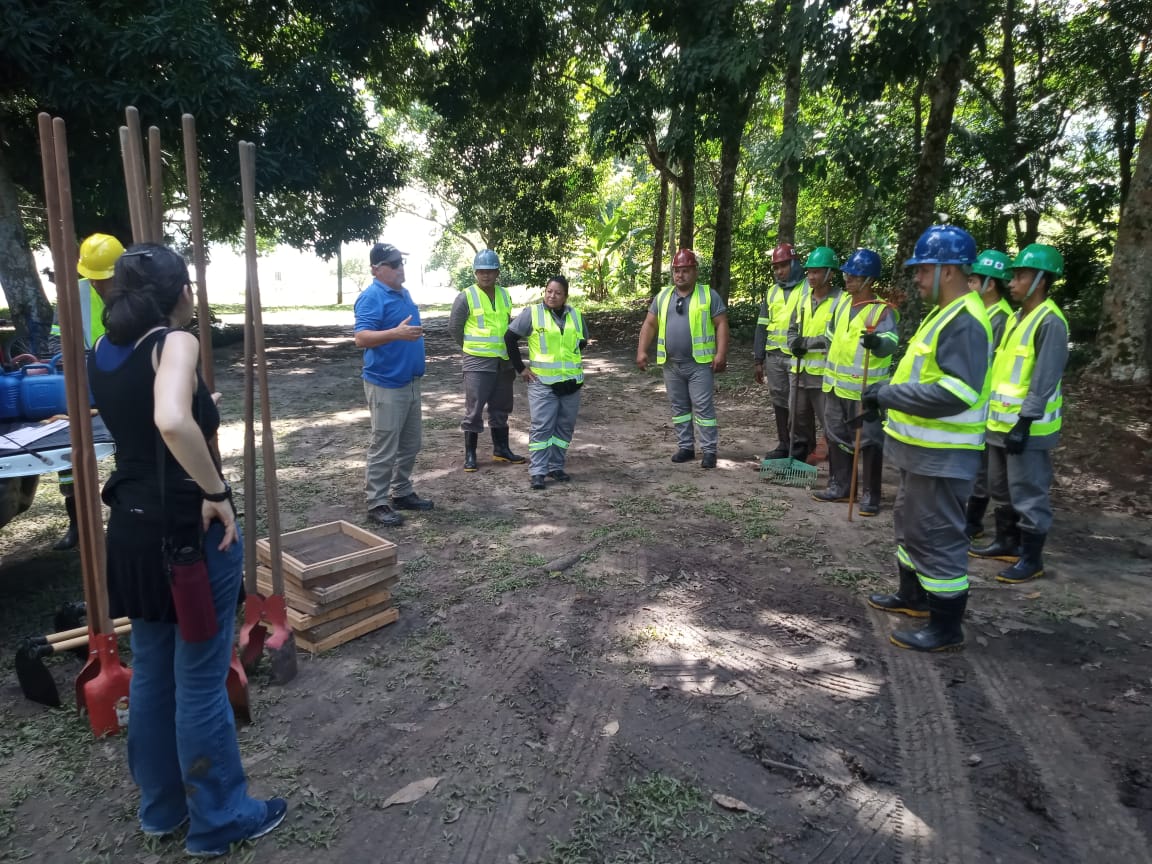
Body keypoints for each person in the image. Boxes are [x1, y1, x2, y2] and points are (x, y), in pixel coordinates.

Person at [87, 243, 286, 857]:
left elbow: (148, 421)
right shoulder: (173, 342)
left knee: (150, 670)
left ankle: (161, 808)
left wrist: (203, 413)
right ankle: (220, 818)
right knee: (200, 679)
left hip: (131, 530)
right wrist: (216, 489)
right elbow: (172, 421)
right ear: (181, 294)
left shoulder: (104, 348)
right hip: (185, 536)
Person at [863, 225, 992, 652]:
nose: (915, 279)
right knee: (910, 523)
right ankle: (914, 596)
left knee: (936, 532)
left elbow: (959, 392)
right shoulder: (945, 314)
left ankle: (945, 626)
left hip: (945, 454)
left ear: (949, 270)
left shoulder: (966, 321)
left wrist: (888, 394)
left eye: (921, 270)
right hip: (923, 452)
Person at [968, 244, 1069, 583]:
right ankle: (1006, 541)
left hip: (1028, 428)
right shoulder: (1016, 318)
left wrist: (1025, 422)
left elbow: (1044, 377)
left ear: (1040, 280)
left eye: (1021, 275)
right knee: (1001, 487)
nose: (1012, 282)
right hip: (999, 422)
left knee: (1028, 491)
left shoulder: (1050, 321)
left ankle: (1031, 557)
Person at [52, 232, 124, 550]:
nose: (98, 284)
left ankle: (125, 516)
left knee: (127, 451)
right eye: (93, 277)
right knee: (71, 457)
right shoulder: (72, 294)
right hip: (83, 385)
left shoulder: (133, 295)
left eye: (103, 277)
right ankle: (78, 523)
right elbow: (56, 342)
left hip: (121, 384)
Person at [354, 243, 434, 527]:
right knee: (384, 444)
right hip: (385, 383)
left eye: (401, 262)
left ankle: (401, 492)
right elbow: (361, 338)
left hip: (410, 382)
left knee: (411, 443)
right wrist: (396, 333)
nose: (400, 267)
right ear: (376, 269)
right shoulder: (371, 297)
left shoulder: (403, 293)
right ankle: (376, 502)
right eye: (394, 263)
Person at [815, 249, 898, 514]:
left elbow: (892, 343)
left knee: (870, 441)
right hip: (836, 386)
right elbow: (830, 333)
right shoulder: (841, 304)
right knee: (836, 435)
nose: (848, 279)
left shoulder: (882, 311)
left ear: (868, 280)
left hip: (866, 390)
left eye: (855, 275)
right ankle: (840, 486)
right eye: (848, 274)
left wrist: (879, 343)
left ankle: (871, 495)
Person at [636, 249, 729, 469]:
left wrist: (721, 353)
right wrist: (641, 350)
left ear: (695, 272)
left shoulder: (708, 295)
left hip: (699, 364)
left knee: (703, 407)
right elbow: (650, 324)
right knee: (679, 408)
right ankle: (686, 447)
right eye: (677, 271)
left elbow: (721, 324)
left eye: (685, 271)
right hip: (671, 364)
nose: (680, 275)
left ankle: (709, 450)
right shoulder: (663, 296)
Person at [504, 275, 588, 490]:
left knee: (564, 428)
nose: (552, 296)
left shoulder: (576, 315)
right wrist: (521, 368)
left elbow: (582, 342)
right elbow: (510, 338)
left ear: (565, 296)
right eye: (549, 291)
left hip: (571, 384)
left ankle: (556, 466)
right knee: (542, 428)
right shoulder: (532, 314)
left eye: (558, 293)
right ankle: (538, 471)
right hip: (543, 384)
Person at [448, 249, 526, 472]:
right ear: (475, 272)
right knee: (474, 408)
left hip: (503, 360)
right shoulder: (465, 296)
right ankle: (470, 455)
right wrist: (470, 349)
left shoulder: (504, 294)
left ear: (497, 272)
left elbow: (508, 325)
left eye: (490, 271)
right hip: (477, 361)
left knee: (501, 407)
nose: (486, 275)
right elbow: (454, 328)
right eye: (481, 271)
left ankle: (501, 449)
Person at [963, 249, 1014, 540]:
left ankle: (975, 521)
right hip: (978, 398)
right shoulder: (982, 312)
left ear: (990, 284)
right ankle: (971, 517)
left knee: (984, 467)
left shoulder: (1001, 317)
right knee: (977, 462)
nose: (969, 286)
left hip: (991, 401)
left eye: (973, 281)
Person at [785, 246, 842, 463]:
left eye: (816, 272)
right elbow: (791, 330)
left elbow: (834, 336)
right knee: (797, 418)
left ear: (830, 273)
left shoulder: (840, 301)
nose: (811, 276)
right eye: (809, 271)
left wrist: (805, 344)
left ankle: (838, 464)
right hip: (799, 370)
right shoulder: (801, 300)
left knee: (830, 420)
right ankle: (799, 457)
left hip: (824, 374)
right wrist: (794, 345)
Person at [753, 242, 805, 460]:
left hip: (798, 357)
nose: (779, 271)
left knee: (799, 406)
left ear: (794, 264)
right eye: (776, 267)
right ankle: (784, 444)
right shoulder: (772, 292)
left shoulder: (807, 288)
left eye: (783, 266)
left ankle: (801, 447)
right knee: (779, 401)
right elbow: (762, 325)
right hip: (774, 356)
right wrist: (758, 359)